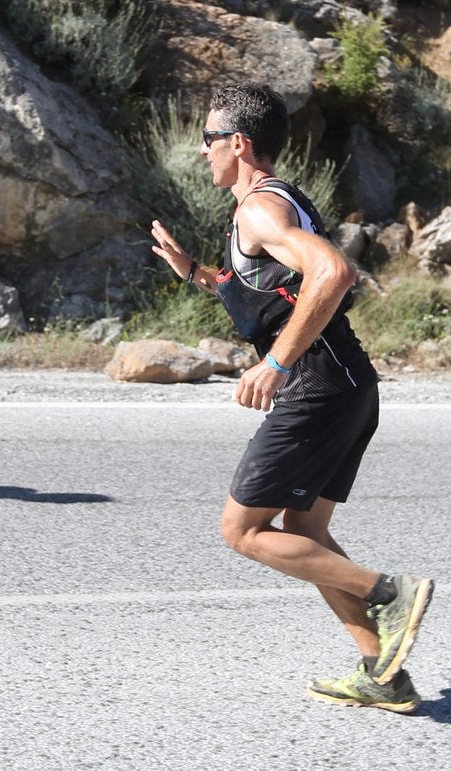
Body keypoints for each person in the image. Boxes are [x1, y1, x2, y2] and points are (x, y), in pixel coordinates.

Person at [149, 83, 433, 714]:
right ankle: (381, 673)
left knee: (243, 529)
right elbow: (270, 292)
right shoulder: (278, 201)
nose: (202, 152)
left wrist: (277, 363)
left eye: (208, 139)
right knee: (305, 531)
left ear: (238, 143)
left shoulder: (258, 210)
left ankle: (390, 592)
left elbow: (333, 272)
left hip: (319, 387)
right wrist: (196, 272)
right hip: (351, 383)